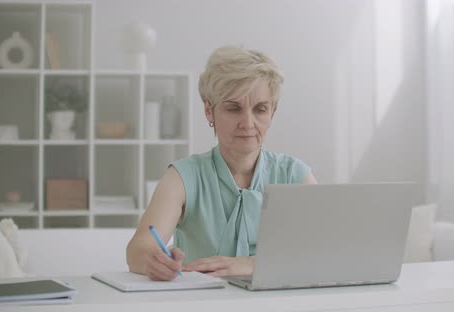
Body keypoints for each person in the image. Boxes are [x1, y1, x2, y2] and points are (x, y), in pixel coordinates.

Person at [126, 46, 317, 280]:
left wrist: (251, 264)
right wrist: (154, 261)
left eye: (260, 109)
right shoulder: (183, 177)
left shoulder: (294, 175)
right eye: (233, 108)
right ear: (209, 111)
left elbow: (324, 251)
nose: (247, 123)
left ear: (272, 113)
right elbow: (138, 249)